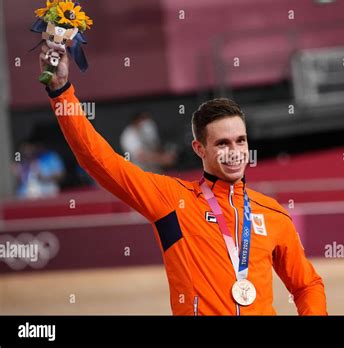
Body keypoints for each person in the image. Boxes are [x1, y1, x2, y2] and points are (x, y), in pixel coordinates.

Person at [39, 43, 327, 315]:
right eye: (222, 143)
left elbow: (307, 285)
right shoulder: (172, 201)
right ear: (199, 149)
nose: (235, 152)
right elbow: (99, 160)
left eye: (240, 141)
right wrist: (61, 91)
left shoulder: (274, 214)